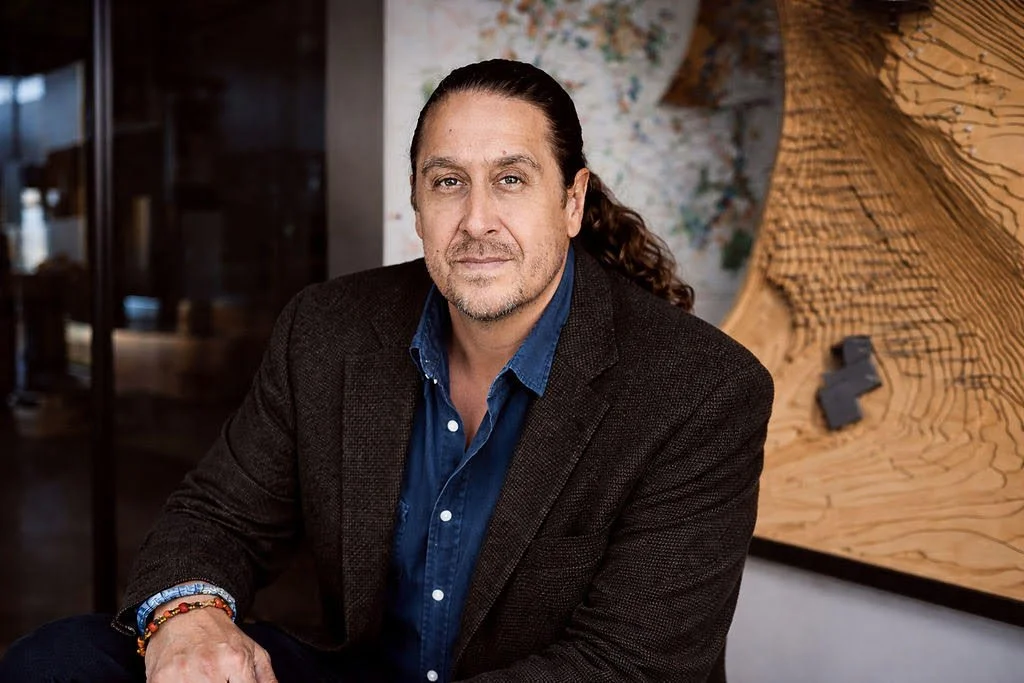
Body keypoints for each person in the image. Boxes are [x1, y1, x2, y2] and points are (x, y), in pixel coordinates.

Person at [0, 59, 773, 683]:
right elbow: (221, 514)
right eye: (447, 182)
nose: (475, 221)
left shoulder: (701, 390)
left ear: (571, 201)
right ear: (415, 201)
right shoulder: (330, 328)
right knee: (60, 662)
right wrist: (189, 614)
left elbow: (627, 665)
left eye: (511, 178)